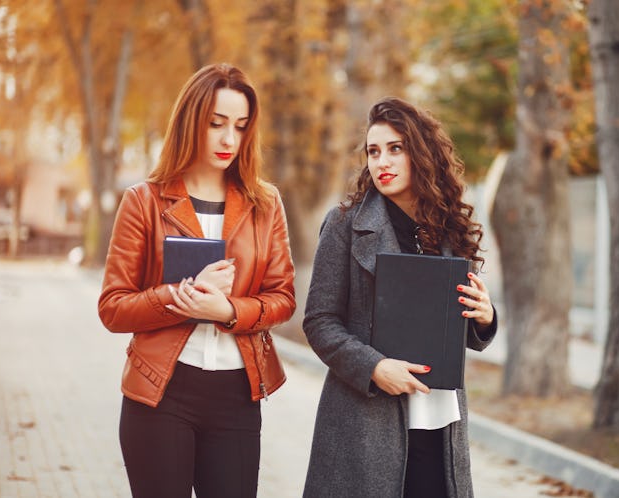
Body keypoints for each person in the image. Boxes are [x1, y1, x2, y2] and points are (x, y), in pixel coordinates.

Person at [97, 63, 296, 498]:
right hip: (160, 395)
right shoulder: (143, 201)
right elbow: (112, 308)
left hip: (237, 397)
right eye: (216, 124)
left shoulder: (265, 204)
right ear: (191, 122)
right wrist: (177, 297)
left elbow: (282, 298)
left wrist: (227, 311)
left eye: (241, 126)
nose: (230, 139)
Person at [301, 97, 497, 498]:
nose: (382, 162)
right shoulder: (344, 224)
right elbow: (319, 321)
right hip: (366, 424)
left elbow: (459, 325)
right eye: (374, 151)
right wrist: (374, 367)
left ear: (421, 154)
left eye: (395, 148)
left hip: (440, 423)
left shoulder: (450, 228)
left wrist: (485, 316)